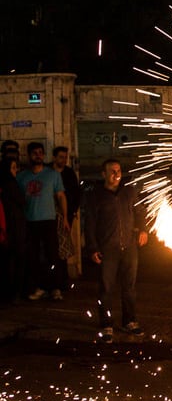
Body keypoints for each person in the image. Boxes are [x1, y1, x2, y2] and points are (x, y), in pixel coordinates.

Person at [84, 159, 149, 344]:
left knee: (129, 287)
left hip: (128, 247)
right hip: (107, 249)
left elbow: (140, 212)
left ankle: (129, 321)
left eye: (118, 170)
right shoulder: (96, 196)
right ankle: (106, 324)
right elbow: (90, 225)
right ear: (103, 174)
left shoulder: (128, 192)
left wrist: (143, 229)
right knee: (106, 288)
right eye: (112, 171)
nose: (116, 174)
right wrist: (92, 248)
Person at [17, 142, 68, 301]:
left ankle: (55, 288)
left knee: (52, 255)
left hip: (48, 220)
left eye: (40, 153)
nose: (38, 155)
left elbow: (61, 196)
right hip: (30, 221)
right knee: (33, 256)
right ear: (29, 155)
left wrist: (65, 218)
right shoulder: (22, 177)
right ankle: (38, 287)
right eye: (34, 153)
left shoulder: (52, 175)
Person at [51, 146, 81, 300]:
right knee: (52, 249)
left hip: (65, 216)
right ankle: (53, 282)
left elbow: (75, 193)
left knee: (63, 249)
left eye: (65, 157)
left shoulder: (69, 173)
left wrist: (72, 213)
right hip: (49, 216)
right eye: (61, 157)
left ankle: (62, 281)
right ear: (54, 157)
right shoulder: (49, 172)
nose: (64, 160)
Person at [0, 157, 26, 304]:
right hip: (13, 228)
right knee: (14, 261)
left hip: (9, 227)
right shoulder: (10, 184)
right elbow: (21, 201)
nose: (16, 171)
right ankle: (13, 293)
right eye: (13, 168)